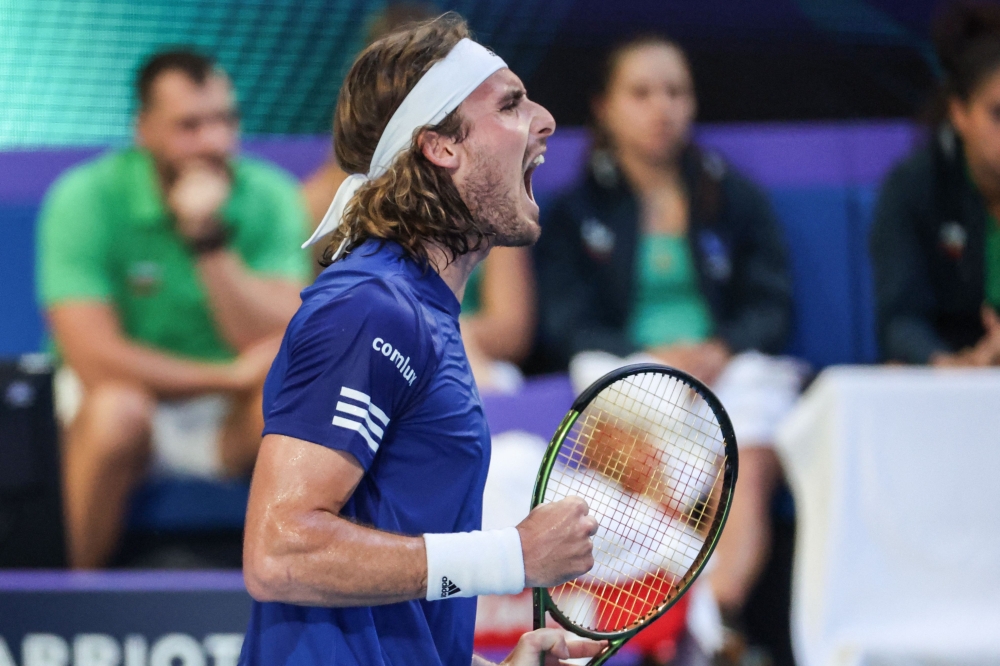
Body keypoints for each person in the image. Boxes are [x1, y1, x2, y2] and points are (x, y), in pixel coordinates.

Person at [239, 15, 603, 666]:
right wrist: (511, 556)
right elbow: (280, 551)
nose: (545, 121)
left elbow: (388, 590)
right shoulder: (371, 308)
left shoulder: (420, 313)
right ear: (441, 146)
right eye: (511, 104)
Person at [534, 35, 802, 657]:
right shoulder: (576, 210)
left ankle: (717, 621)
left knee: (750, 454)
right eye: (643, 93)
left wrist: (722, 346)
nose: (663, 108)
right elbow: (569, 324)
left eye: (677, 92)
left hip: (725, 367)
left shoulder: (732, 193)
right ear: (604, 106)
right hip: (632, 370)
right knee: (604, 387)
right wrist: (658, 357)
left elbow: (771, 306)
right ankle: (684, 631)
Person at [36, 49, 311, 569]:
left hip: (229, 419)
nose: (214, 142)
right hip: (121, 401)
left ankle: (295, 597)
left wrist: (205, 240)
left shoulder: (272, 194)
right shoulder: (83, 197)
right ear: (143, 129)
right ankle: (62, 608)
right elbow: (93, 358)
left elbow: (280, 332)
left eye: (226, 120)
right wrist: (227, 376)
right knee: (119, 411)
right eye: (189, 125)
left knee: (299, 387)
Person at [301, 3, 535, 393]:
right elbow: (308, 323)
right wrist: (409, 338)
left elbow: (511, 329)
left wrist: (445, 335)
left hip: (474, 366)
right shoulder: (316, 202)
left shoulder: (494, 191)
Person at [871, 2, 1000, 366]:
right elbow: (899, 319)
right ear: (960, 114)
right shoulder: (914, 188)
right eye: (999, 115)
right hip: (948, 377)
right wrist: (949, 363)